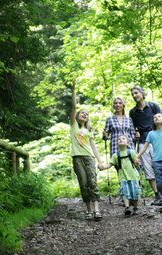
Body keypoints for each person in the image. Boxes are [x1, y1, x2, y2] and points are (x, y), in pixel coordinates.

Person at [70, 80, 103, 221]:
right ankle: (88, 210)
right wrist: (73, 90)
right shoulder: (73, 127)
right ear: (77, 116)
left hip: (89, 158)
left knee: (93, 183)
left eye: (87, 113)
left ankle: (96, 210)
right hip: (77, 158)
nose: (85, 114)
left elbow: (93, 146)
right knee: (83, 184)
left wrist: (100, 161)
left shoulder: (88, 130)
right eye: (82, 112)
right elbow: (73, 107)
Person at [129, 85, 162, 206]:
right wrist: (135, 133)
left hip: (156, 140)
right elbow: (132, 129)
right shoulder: (132, 112)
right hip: (142, 142)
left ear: (142, 93)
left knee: (160, 166)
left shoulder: (153, 106)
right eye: (133, 94)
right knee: (148, 170)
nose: (135, 96)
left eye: (136, 93)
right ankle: (158, 195)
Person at [98, 134, 140, 216]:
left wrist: (137, 162)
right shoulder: (115, 155)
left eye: (123, 139)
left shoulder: (131, 152)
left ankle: (135, 208)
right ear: (117, 144)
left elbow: (136, 163)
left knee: (135, 193)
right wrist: (102, 167)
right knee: (125, 193)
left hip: (133, 176)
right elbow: (109, 165)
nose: (121, 140)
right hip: (122, 177)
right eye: (119, 139)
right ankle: (127, 207)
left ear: (127, 143)